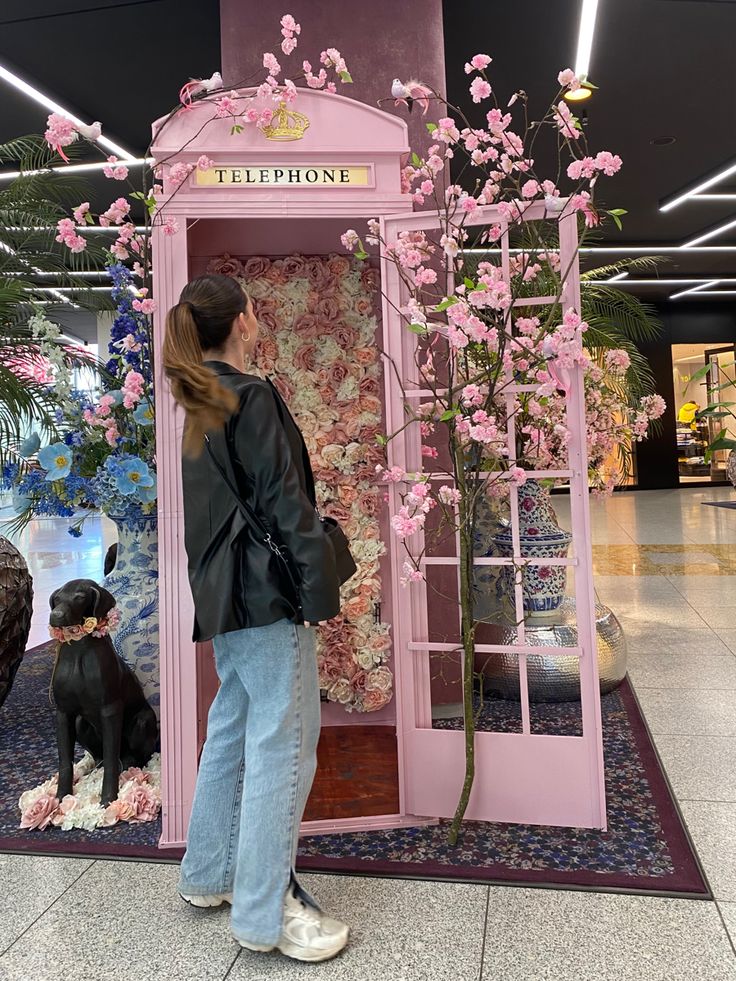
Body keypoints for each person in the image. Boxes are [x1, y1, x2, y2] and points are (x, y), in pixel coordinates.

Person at [161, 273, 348, 963]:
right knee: (282, 747)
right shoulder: (253, 394)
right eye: (253, 309)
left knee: (231, 731)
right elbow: (288, 508)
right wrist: (317, 596)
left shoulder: (196, 401)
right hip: (270, 600)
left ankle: (207, 876)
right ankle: (266, 912)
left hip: (225, 601)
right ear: (241, 321)